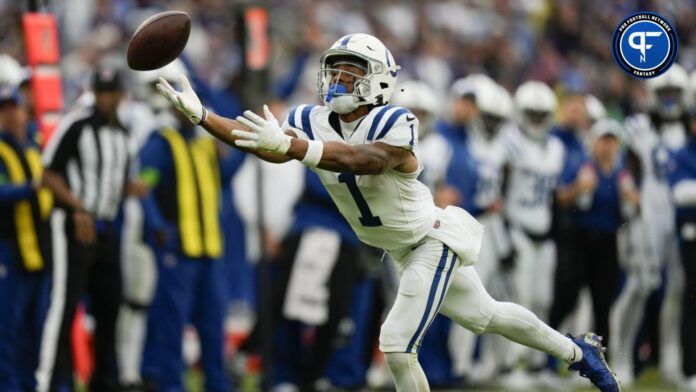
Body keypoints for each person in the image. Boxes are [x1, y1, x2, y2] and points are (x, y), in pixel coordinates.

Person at [155, 33, 620, 392]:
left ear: (377, 79)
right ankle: (578, 352)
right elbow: (261, 141)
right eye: (333, 72)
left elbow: (367, 160)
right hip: (399, 248)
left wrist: (294, 145)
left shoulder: (395, 120)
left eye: (350, 73)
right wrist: (204, 118)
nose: (337, 81)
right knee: (488, 314)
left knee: (397, 345)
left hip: (430, 241)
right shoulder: (309, 118)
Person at [38, 67, 131, 392]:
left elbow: (117, 181)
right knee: (63, 306)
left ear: (120, 94)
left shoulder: (122, 132)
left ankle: (103, 382)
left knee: (109, 309)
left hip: (107, 229)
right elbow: (48, 174)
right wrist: (77, 207)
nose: (106, 99)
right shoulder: (77, 125)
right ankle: (46, 382)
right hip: (73, 227)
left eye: (111, 92)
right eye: (101, 92)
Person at [137, 70, 230, 392]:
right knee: (172, 322)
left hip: (210, 248)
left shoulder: (206, 146)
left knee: (213, 323)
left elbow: (229, 174)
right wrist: (157, 225)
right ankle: (170, 383)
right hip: (179, 246)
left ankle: (217, 383)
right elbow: (142, 186)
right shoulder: (162, 141)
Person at [611, 64, 691, 387]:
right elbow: (622, 165)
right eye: (664, 93)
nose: (670, 99)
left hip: (681, 215)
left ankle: (672, 360)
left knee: (677, 288)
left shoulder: (689, 130)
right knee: (640, 286)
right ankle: (620, 356)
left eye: (675, 93)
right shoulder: (638, 125)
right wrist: (628, 190)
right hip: (646, 213)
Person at [553, 119, 640, 347]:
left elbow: (636, 207)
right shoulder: (581, 165)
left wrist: (632, 198)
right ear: (594, 142)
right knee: (567, 297)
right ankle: (545, 357)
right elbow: (560, 198)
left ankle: (601, 360)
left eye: (612, 141)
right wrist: (578, 188)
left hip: (607, 242)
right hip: (579, 239)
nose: (607, 146)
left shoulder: (622, 174)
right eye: (603, 140)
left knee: (603, 303)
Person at [0, 86, 52, 391]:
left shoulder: (34, 145)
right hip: (9, 251)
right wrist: (29, 188)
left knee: (35, 331)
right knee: (8, 330)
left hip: (39, 251)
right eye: (3, 109)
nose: (10, 114)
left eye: (13, 108)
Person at [668, 113, 696, 391]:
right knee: (692, 303)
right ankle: (689, 369)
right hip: (691, 238)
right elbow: (680, 193)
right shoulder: (683, 153)